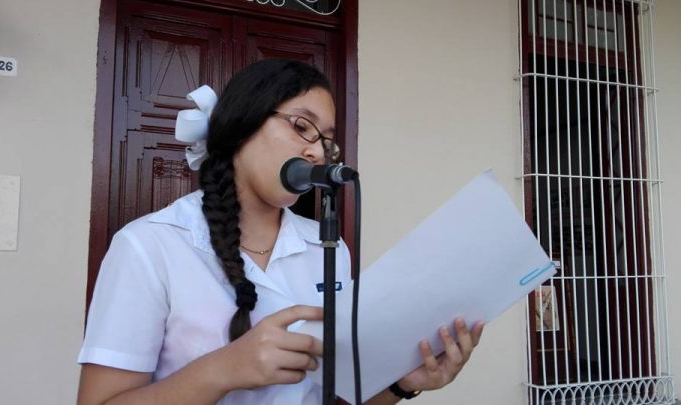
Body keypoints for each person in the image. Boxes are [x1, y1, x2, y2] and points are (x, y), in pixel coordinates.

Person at [77, 58, 483, 405]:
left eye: (327, 142)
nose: (317, 152)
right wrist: (224, 369)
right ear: (243, 122)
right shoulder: (149, 245)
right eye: (303, 127)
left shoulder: (328, 248)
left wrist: (399, 385)